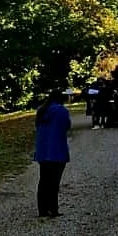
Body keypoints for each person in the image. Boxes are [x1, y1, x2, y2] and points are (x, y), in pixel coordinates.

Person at [33, 90, 72, 218]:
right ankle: (53, 209)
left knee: (43, 180)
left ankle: (42, 209)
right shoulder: (61, 111)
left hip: (43, 151)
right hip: (57, 151)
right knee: (54, 182)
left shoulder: (41, 110)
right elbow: (66, 126)